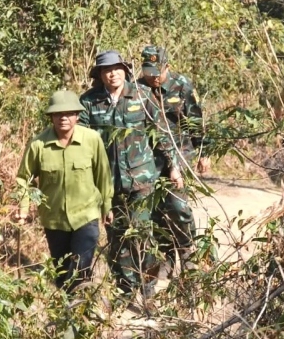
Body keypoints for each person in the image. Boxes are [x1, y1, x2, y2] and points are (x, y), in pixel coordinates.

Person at [79, 50, 178, 298]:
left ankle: (148, 291)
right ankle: (124, 290)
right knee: (117, 239)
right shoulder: (89, 102)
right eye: (106, 70)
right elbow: (78, 141)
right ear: (100, 74)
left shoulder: (142, 96)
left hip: (141, 180)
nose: (112, 73)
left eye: (116, 68)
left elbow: (161, 133)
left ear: (125, 70)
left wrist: (173, 166)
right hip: (107, 183)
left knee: (143, 235)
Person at [15, 90, 114, 291]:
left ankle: (81, 311)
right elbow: (23, 178)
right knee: (61, 271)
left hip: (85, 215)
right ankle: (66, 313)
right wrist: (23, 208)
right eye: (58, 114)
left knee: (80, 269)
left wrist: (107, 206)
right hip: (54, 218)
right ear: (51, 117)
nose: (63, 118)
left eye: (69, 113)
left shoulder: (92, 139)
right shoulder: (38, 144)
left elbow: (103, 175)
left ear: (77, 116)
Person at [137, 45, 203, 268]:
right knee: (156, 208)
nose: (154, 78)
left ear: (168, 67)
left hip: (180, 150)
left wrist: (203, 150)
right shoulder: (137, 89)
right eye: (149, 73)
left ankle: (186, 249)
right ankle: (165, 257)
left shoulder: (181, 85)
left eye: (158, 72)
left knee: (177, 205)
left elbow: (194, 119)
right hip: (150, 156)